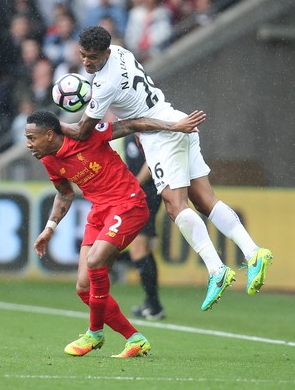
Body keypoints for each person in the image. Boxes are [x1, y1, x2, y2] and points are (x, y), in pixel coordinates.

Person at [60, 26, 273, 312]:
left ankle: (216, 270)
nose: (86, 62)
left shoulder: (104, 85)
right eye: (83, 56)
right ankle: (253, 252)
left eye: (92, 57)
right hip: (174, 116)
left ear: (106, 52)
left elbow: (84, 130)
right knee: (204, 200)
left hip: (162, 133)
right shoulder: (122, 53)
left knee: (175, 206)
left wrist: (54, 126)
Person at [27, 109, 205, 357]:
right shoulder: (49, 160)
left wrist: (174, 126)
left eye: (31, 138)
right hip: (100, 212)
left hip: (128, 203)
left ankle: (94, 333)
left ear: (49, 135)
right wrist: (49, 228)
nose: (28, 144)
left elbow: (133, 124)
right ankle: (135, 339)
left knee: (95, 260)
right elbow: (65, 193)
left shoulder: (88, 136)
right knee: (83, 288)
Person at [123, 134, 165, 320]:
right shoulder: (127, 127)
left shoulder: (143, 127)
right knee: (144, 248)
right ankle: (153, 303)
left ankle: (154, 305)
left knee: (138, 249)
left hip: (147, 192)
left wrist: (134, 185)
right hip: (142, 191)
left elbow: (152, 161)